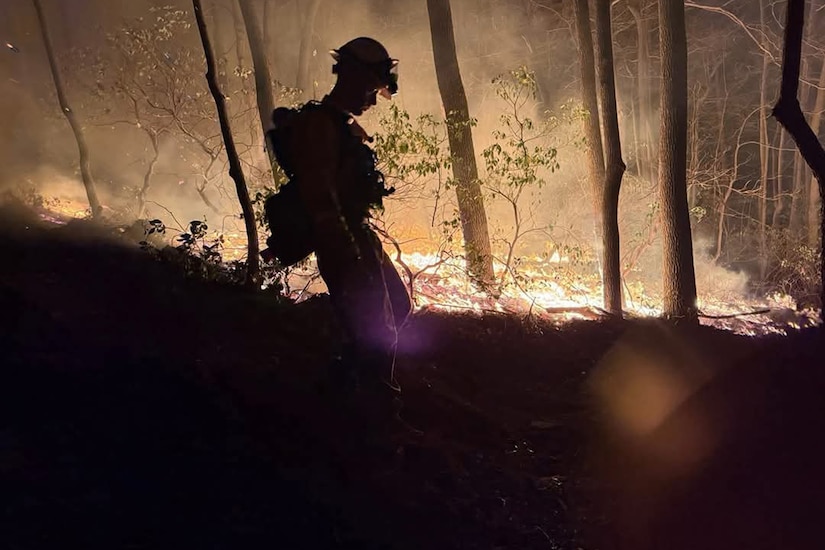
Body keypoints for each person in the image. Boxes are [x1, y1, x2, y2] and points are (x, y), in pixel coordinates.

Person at [287, 37, 412, 397]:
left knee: (397, 306)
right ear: (353, 78)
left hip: (358, 236)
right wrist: (346, 251)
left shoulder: (341, 126)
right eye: (371, 89)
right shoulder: (319, 127)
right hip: (343, 243)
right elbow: (320, 196)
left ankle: (345, 386)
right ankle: (373, 409)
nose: (373, 100)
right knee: (376, 330)